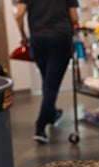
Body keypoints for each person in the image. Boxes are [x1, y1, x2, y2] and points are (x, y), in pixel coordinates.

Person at [16, 0, 79, 143]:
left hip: (38, 40)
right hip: (59, 39)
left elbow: (19, 15)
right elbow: (74, 17)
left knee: (48, 81)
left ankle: (52, 113)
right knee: (51, 86)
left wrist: (24, 36)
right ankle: (40, 126)